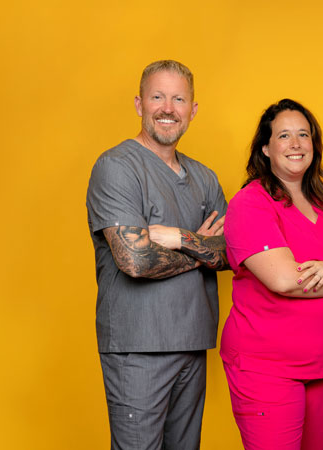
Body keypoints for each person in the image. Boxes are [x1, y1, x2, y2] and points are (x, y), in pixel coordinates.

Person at [220, 98, 323, 450]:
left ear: (314, 144)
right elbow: (284, 281)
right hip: (266, 367)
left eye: (303, 135)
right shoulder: (251, 204)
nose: (296, 144)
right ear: (265, 148)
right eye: (284, 136)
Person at [86, 60, 229, 450]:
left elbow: (230, 253)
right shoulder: (116, 167)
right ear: (139, 104)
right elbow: (135, 261)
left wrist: (180, 238)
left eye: (179, 98)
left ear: (193, 110)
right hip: (138, 348)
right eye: (158, 97)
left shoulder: (205, 177)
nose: (168, 108)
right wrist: (200, 245)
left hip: (192, 343)